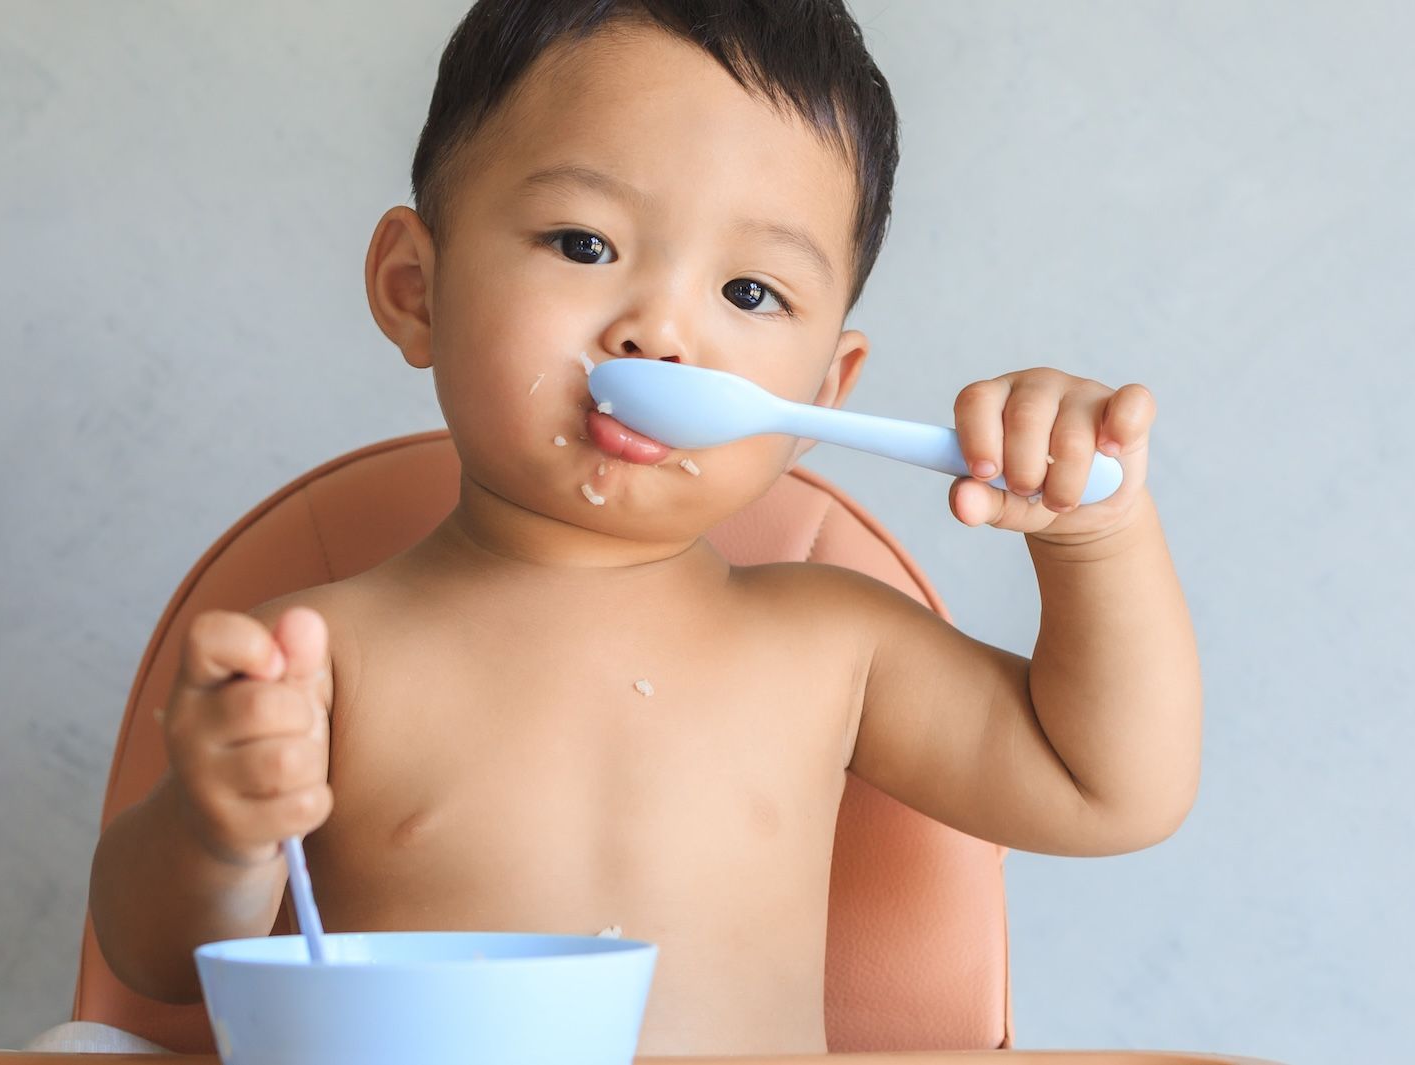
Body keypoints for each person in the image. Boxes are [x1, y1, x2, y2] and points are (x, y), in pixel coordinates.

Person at [89, 1, 1201, 1055]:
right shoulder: (316, 655)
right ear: (414, 289)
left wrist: (1092, 538)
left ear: (829, 387)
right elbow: (153, 959)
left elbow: (1106, 787)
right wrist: (216, 822)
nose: (661, 332)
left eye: (751, 294)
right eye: (582, 243)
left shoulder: (831, 646)